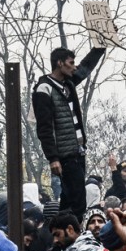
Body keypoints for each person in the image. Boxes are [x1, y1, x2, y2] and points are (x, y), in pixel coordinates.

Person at [32, 45, 106, 220]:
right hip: (65, 154)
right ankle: (75, 233)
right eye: (71, 63)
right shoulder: (44, 89)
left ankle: (60, 232)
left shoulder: (69, 84)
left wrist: (99, 47)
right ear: (60, 64)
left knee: (68, 199)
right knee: (78, 200)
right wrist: (53, 157)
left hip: (78, 151)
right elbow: (44, 128)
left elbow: (86, 67)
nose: (74, 67)